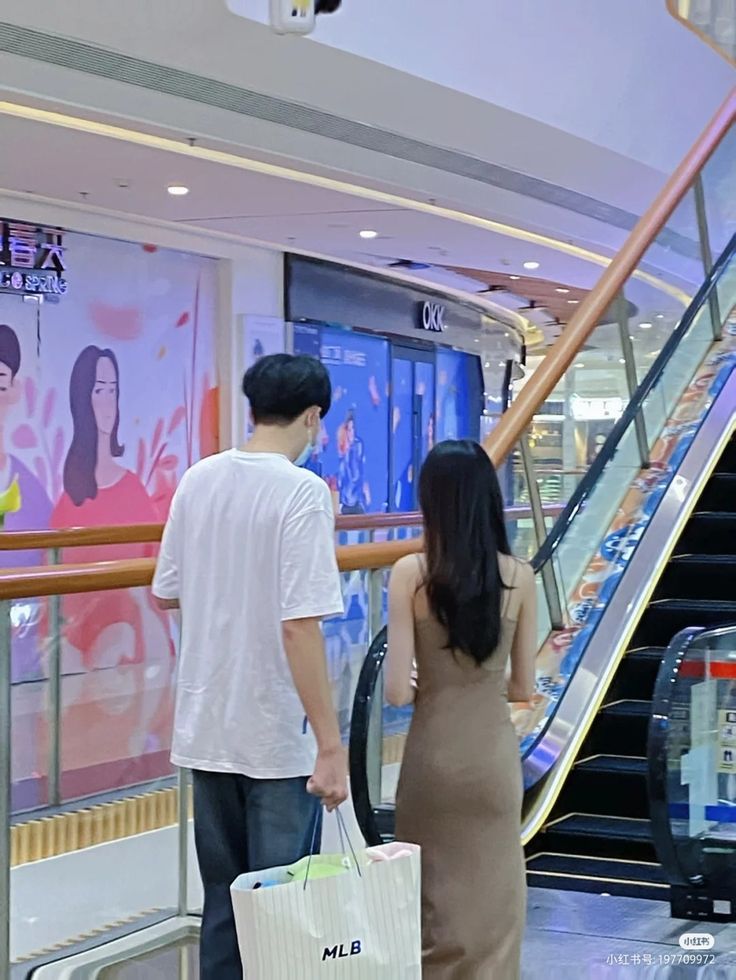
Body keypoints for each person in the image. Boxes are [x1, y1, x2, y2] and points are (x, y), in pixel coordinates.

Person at [152, 353, 348, 980]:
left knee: (223, 905)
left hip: (207, 726)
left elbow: (169, 589)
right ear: (314, 416)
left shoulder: (199, 478)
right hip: (274, 736)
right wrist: (330, 744)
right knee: (284, 910)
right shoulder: (302, 492)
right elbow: (300, 624)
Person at [386, 440, 536, 979]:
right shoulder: (520, 576)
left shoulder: (410, 574)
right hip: (492, 762)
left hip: (433, 762)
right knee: (495, 904)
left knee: (432, 904)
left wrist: (431, 679)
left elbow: (396, 694)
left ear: (432, 501)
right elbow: (523, 686)